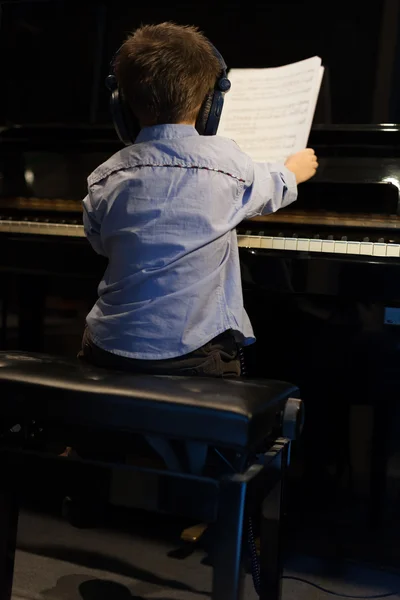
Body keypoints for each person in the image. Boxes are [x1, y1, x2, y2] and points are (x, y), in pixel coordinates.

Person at [79, 22, 318, 378]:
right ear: (211, 106)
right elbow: (274, 188)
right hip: (194, 354)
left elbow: (99, 241)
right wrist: (295, 169)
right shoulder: (229, 165)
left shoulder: (105, 176)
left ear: (122, 108)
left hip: (107, 347)